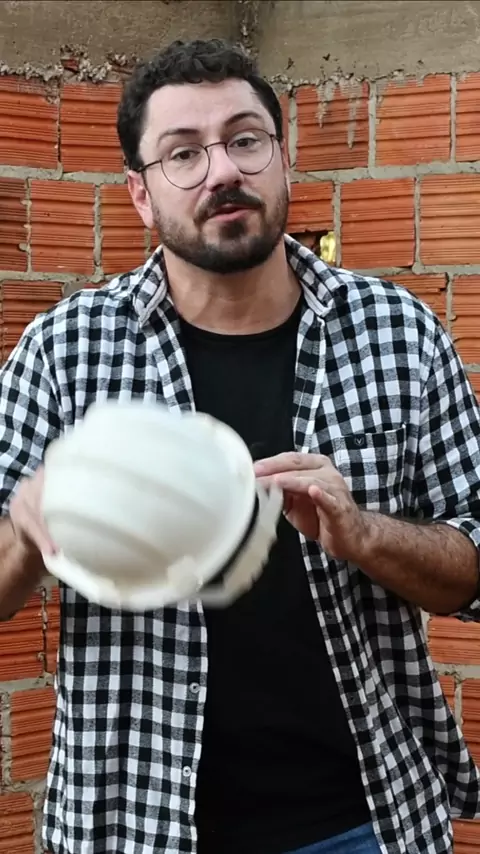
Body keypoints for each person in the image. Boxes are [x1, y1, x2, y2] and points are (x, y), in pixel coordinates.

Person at [0, 37, 480, 854]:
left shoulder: (399, 334)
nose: (222, 170)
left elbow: (473, 562)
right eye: (183, 153)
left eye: (244, 139)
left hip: (362, 824)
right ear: (141, 193)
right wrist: (28, 526)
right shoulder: (64, 350)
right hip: (133, 829)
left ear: (283, 159)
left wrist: (364, 534)